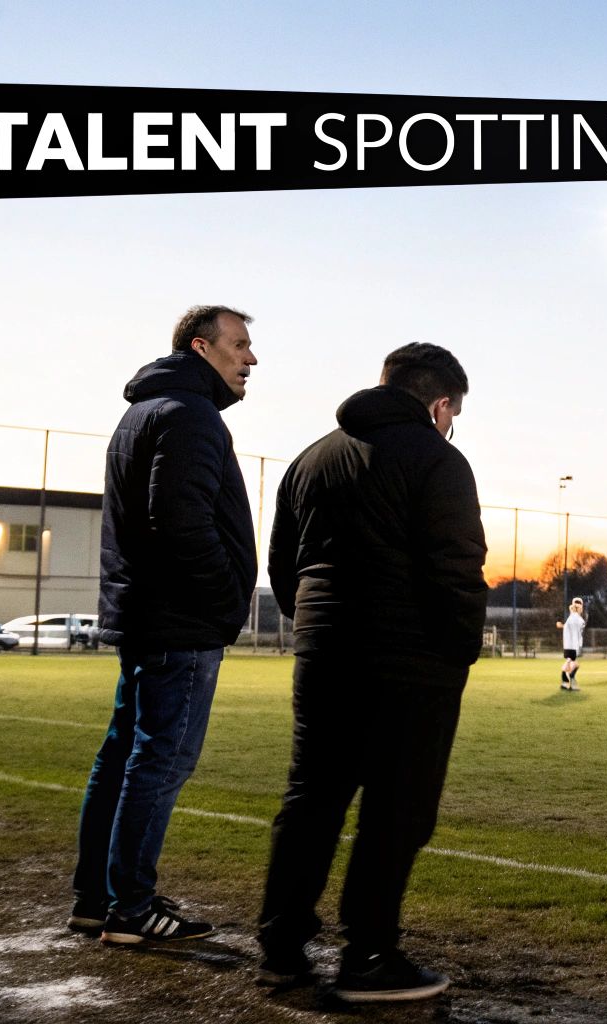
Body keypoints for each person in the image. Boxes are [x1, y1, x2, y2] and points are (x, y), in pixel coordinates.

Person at [256, 343, 487, 1002]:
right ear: (439, 404)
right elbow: (456, 567)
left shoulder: (311, 458)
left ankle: (280, 950)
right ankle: (369, 954)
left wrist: (315, 629)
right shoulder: (438, 460)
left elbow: (283, 568)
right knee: (398, 809)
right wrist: (458, 651)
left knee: (312, 799)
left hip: (324, 653)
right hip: (408, 664)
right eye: (453, 413)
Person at [69, 305, 259, 946]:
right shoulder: (189, 416)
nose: (250, 359)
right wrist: (226, 596)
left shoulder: (145, 412)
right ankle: (131, 909)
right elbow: (178, 520)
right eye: (240, 346)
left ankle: (98, 899)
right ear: (201, 347)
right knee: (159, 761)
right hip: (180, 624)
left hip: (152, 619)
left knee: (123, 755)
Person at [558, 598, 586, 690]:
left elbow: (566, 627)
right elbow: (577, 631)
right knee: (575, 665)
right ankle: (572, 684)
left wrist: (561, 625)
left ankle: (565, 683)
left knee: (569, 662)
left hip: (567, 646)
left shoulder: (570, 618)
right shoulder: (579, 619)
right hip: (573, 646)